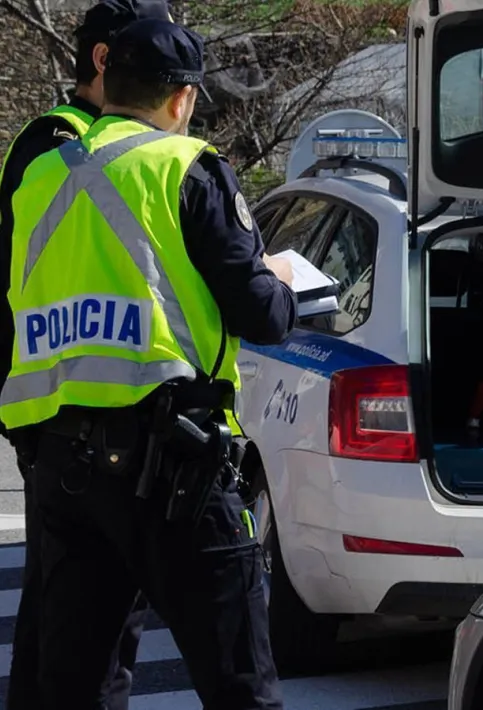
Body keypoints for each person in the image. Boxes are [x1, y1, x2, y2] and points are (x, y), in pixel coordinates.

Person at [2, 17, 295, 710]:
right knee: (240, 686)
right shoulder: (186, 166)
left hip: (63, 470)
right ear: (182, 98)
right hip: (177, 471)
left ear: (109, 82)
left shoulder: (38, 172)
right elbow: (265, 317)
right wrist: (277, 277)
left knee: (75, 690)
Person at [0, 3, 174, 708]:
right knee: (83, 637)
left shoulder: (72, 145)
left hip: (71, 415)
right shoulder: (60, 145)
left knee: (64, 630)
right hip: (65, 419)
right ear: (105, 61)